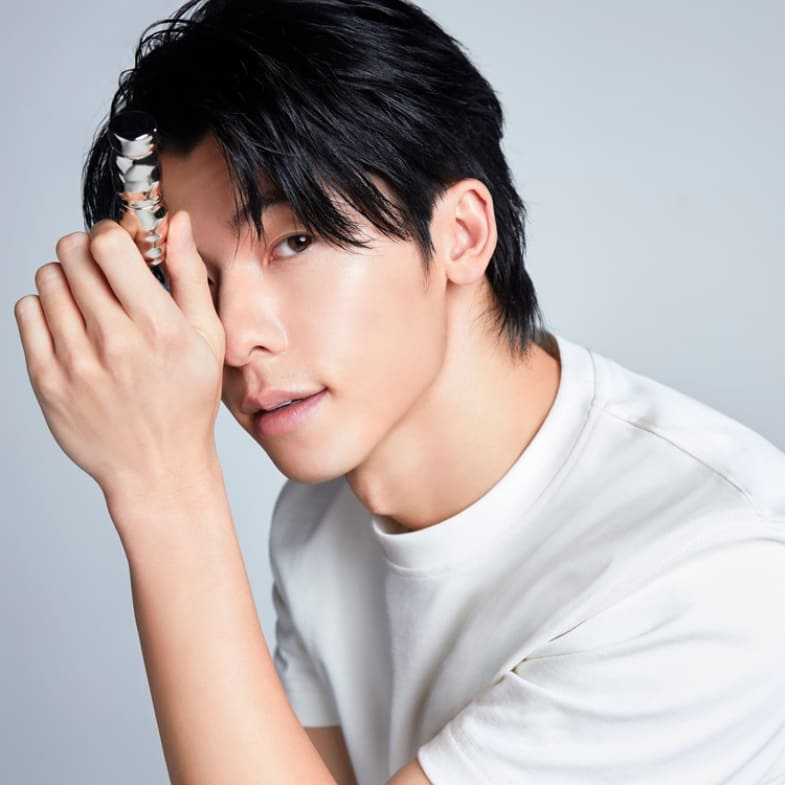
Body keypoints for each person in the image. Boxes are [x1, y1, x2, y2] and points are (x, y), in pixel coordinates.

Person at [13, 1, 785, 784]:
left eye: (295, 240)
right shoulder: (317, 522)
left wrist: (163, 487)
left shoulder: (706, 574)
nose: (235, 338)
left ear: (460, 235)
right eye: (198, 284)